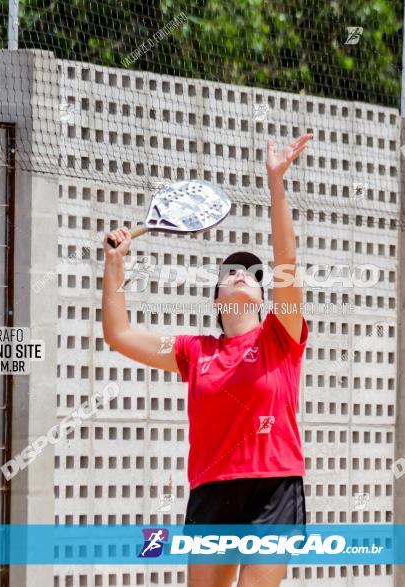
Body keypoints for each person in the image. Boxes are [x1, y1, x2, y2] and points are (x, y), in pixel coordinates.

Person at [101, 134, 313, 587]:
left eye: (252, 275)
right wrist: (115, 265)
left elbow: (287, 262)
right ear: (219, 300)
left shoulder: (282, 336)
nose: (241, 275)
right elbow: (119, 335)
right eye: (230, 273)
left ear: (261, 297)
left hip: (273, 488)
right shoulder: (195, 352)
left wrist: (276, 184)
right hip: (213, 491)